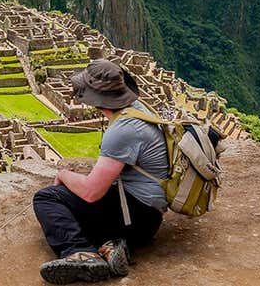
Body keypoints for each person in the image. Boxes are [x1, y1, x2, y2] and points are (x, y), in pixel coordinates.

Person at [33, 59, 168, 284]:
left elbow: (91, 192)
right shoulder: (137, 111)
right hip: (147, 221)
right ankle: (112, 245)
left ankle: (80, 253)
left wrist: (64, 174)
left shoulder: (122, 131)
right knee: (79, 204)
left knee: (47, 199)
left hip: (134, 216)